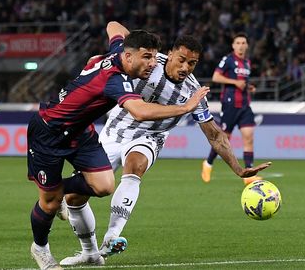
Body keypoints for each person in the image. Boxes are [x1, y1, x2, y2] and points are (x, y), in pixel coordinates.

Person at [60, 35, 271, 265]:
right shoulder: (149, 62)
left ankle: (112, 237)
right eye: (181, 59)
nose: (185, 67)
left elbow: (215, 134)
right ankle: (90, 254)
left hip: (151, 137)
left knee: (135, 164)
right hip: (115, 131)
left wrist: (238, 169)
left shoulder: (193, 91)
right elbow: (122, 41)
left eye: (192, 63)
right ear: (170, 53)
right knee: (74, 197)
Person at [27, 22, 211, 270]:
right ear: (128, 56)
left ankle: (56, 191)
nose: (153, 63)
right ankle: (40, 249)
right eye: (146, 57)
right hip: (49, 132)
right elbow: (141, 112)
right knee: (48, 204)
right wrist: (186, 107)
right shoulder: (115, 80)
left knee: (103, 186)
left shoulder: (117, 51)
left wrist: (134, 40)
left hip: (81, 133)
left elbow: (112, 26)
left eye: (154, 57)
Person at [202, 32, 261, 185]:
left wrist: (249, 87)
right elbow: (216, 77)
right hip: (230, 105)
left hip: (245, 105)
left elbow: (243, 83)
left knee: (249, 137)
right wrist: (235, 83)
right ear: (233, 45)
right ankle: (208, 163)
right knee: (224, 139)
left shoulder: (247, 63)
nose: (241, 45)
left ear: (247, 45)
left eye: (243, 43)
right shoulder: (228, 60)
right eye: (238, 43)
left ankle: (249, 173)